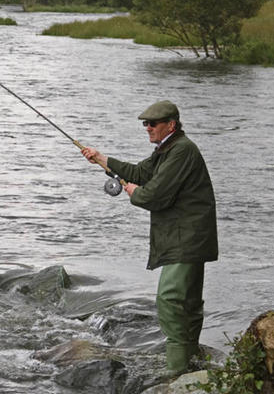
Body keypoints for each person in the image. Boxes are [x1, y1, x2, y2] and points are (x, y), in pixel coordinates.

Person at [81, 100, 218, 376]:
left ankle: (175, 371)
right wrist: (101, 159)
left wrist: (133, 192)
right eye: (145, 124)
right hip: (188, 238)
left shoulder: (182, 151)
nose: (148, 128)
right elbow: (142, 173)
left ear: (171, 124)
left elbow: (153, 195)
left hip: (187, 240)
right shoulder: (168, 149)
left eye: (153, 123)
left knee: (170, 299)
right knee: (188, 302)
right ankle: (189, 364)